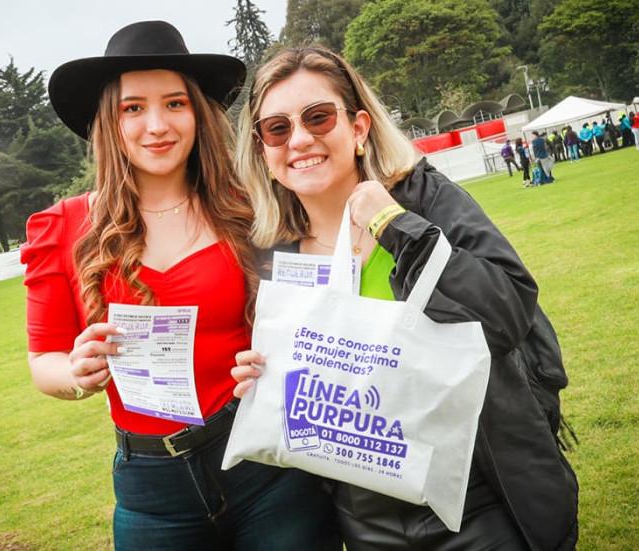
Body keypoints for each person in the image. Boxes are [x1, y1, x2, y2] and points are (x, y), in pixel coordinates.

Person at [233, 45, 578, 551]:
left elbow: (505, 313)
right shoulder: (272, 254)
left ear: (358, 128)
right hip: (365, 514)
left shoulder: (421, 199)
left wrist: (393, 225)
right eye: (278, 128)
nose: (300, 139)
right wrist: (263, 379)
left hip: (480, 497)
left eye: (318, 117)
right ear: (264, 149)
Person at [21, 21, 339, 549]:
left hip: (267, 463)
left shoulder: (250, 205)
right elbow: (43, 363)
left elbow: (315, 310)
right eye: (133, 108)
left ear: (197, 111)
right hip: (152, 490)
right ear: (109, 121)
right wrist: (76, 372)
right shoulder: (59, 226)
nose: (157, 125)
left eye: (174, 103)